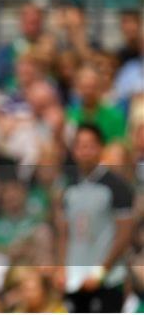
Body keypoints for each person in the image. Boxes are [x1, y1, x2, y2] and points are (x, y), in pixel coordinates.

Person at [58, 124, 134, 312]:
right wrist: (61, 267)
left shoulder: (116, 186)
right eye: (80, 146)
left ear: (100, 148)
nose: (85, 151)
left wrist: (101, 271)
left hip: (107, 280)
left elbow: (124, 234)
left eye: (90, 145)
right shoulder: (69, 187)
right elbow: (65, 232)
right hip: (75, 279)